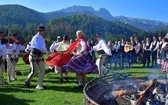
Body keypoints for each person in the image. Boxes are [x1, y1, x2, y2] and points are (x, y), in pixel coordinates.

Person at [25, 25, 47, 90]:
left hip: (39, 56)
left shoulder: (40, 37)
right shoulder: (36, 37)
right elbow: (40, 47)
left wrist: (44, 52)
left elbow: (41, 47)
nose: (44, 32)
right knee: (35, 71)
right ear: (40, 31)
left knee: (43, 70)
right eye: (43, 31)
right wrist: (45, 51)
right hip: (34, 56)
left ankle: (39, 85)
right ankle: (27, 80)